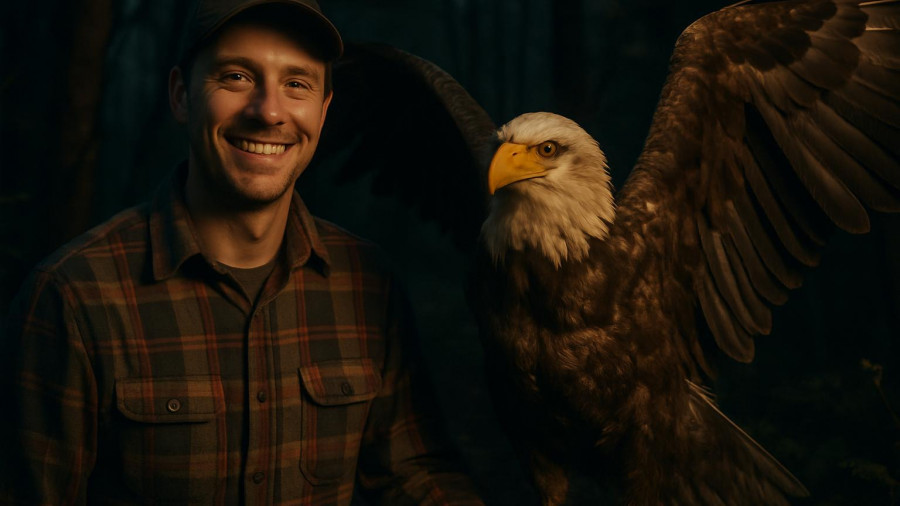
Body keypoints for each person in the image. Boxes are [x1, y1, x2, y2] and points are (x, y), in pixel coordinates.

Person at [0, 1, 485, 504]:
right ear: (182, 95)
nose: (269, 111)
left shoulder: (367, 284)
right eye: (235, 76)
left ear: (323, 111)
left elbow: (412, 473)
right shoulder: (72, 298)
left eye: (297, 84)